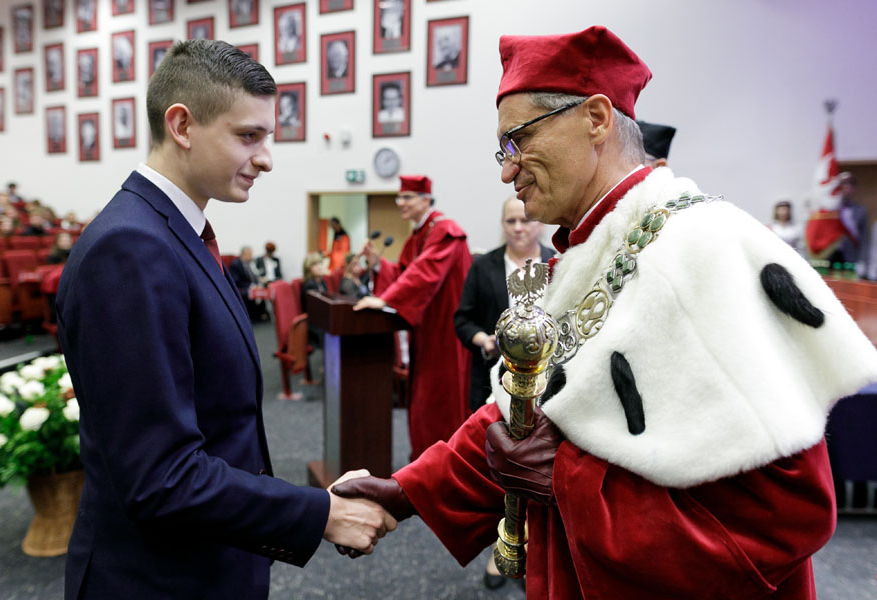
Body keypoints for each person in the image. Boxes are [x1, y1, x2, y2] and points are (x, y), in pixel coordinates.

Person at [333, 27, 877, 598]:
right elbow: (526, 413)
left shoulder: (703, 244)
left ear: (595, 119)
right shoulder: (589, 248)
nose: (505, 170)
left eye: (517, 141)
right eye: (502, 150)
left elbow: (792, 510)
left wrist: (566, 482)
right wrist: (406, 491)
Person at [55, 40, 394, 600]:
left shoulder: (170, 234)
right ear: (183, 125)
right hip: (155, 580)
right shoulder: (131, 249)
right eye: (248, 136)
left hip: (205, 562)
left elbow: (217, 425)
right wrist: (319, 513)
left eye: (268, 137)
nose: (265, 157)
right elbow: (160, 475)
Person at [453, 195, 554, 590]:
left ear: (539, 224)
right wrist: (484, 338)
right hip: (493, 380)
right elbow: (462, 319)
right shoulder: (484, 266)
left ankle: (540, 548)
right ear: (502, 225)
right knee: (499, 468)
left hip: (548, 384)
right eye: (511, 220)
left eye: (526, 219)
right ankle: (502, 548)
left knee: (538, 470)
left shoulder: (557, 263)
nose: (518, 227)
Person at [354, 175, 472, 460]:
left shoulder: (444, 230)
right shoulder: (420, 234)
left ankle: (444, 467)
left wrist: (385, 298)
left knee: (439, 401)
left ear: (426, 200)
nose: (400, 203)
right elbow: (406, 275)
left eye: (407, 197)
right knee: (422, 400)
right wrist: (377, 264)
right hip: (426, 330)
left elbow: (424, 275)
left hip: (446, 331)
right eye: (399, 197)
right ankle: (423, 463)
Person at [229, 245, 268, 321]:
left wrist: (258, 284)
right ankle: (252, 316)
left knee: (263, 288)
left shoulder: (250, 263)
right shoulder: (235, 264)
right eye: (250, 254)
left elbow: (254, 276)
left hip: (252, 286)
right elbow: (236, 281)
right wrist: (252, 286)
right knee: (250, 292)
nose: (251, 256)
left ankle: (261, 314)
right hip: (242, 287)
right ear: (244, 254)